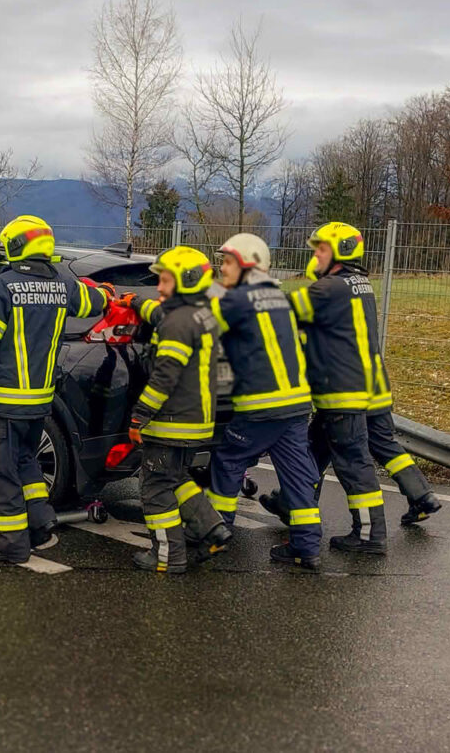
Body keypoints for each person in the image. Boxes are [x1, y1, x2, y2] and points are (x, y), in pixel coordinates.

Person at [0, 215, 113, 565]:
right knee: (27, 464)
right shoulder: (63, 285)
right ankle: (40, 521)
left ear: (16, 246)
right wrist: (108, 293)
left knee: (2, 473)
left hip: (5, 403)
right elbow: (94, 302)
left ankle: (12, 545)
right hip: (40, 402)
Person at [263, 250, 442, 531]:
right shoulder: (361, 285)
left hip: (346, 387)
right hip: (373, 383)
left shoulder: (331, 291)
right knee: (377, 444)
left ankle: (301, 505)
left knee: (332, 452)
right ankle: (422, 495)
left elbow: (286, 314)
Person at [206, 233, 323, 570]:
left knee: (228, 460)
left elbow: (202, 325)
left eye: (227, 262)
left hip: (260, 407)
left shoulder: (237, 300)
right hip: (297, 406)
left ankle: (217, 533)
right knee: (298, 476)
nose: (221, 268)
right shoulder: (279, 296)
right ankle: (306, 548)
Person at [282, 222, 391, 554]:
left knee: (353, 465)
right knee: (311, 455)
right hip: (348, 387)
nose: (315, 256)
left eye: (321, 249)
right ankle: (294, 509)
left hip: (339, 393)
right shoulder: (358, 283)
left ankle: (370, 535)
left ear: (340, 252)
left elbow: (281, 310)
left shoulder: (329, 289)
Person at [122, 246, 232, 574]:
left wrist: (140, 415)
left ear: (184, 282)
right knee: (176, 478)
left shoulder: (177, 325)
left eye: (165, 281)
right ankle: (212, 527)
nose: (158, 287)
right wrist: (136, 303)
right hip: (196, 420)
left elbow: (164, 378)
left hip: (171, 420)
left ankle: (168, 556)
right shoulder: (203, 312)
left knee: (155, 488)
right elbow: (163, 315)